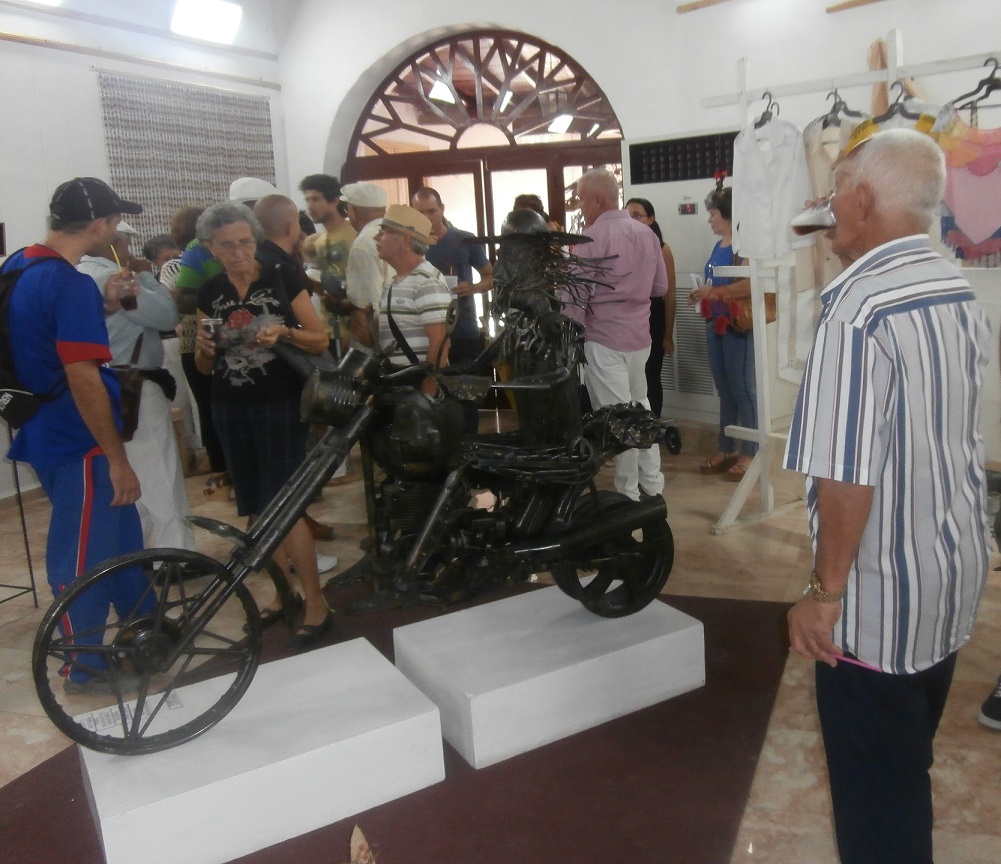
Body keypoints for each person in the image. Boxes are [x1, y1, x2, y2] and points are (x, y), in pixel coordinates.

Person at [783, 128, 990, 864]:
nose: (827, 203)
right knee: (906, 761)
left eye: (835, 187)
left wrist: (822, 590)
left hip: (880, 595)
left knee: (876, 801)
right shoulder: (952, 286)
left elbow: (845, 471)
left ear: (862, 196)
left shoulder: (857, 308)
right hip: (949, 568)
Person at [3, 177, 154, 693]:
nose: (115, 230)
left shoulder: (20, 263)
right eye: (113, 222)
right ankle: (83, 660)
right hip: (77, 438)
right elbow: (83, 376)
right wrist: (116, 457)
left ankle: (150, 622)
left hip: (40, 423)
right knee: (84, 554)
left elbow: (36, 337)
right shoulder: (67, 283)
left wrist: (105, 307)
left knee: (122, 538)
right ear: (99, 226)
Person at [193, 201, 333, 650]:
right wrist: (203, 347)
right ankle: (281, 593)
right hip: (229, 405)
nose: (237, 252)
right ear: (211, 248)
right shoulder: (210, 291)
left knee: (285, 505)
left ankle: (316, 602)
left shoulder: (281, 277)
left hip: (279, 403)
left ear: (255, 240)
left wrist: (285, 333)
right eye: (226, 245)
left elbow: (320, 338)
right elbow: (203, 364)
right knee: (255, 503)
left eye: (245, 242)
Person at [78, 220, 194, 552]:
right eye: (126, 244)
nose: (130, 251)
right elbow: (165, 315)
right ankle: (178, 555)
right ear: (111, 243)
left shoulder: (79, 274)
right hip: (134, 386)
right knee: (160, 474)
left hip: (108, 384)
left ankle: (137, 553)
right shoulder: (113, 278)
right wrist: (144, 275)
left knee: (136, 477)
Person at [570, 168, 667, 502]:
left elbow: (573, 303)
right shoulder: (646, 234)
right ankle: (653, 485)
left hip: (603, 340)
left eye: (581, 198)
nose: (580, 205)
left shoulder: (589, 240)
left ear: (597, 199)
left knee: (617, 420)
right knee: (641, 408)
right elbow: (661, 287)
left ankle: (627, 496)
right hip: (640, 338)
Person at [254, 193, 340, 548]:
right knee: (289, 469)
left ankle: (285, 536)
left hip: (253, 382)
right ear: (293, 226)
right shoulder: (281, 269)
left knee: (266, 476)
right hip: (286, 380)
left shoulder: (255, 264)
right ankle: (294, 535)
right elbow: (317, 339)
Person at [687, 180, 757, 480]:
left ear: (727, 214)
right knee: (725, 392)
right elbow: (715, 286)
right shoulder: (719, 246)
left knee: (742, 390)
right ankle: (726, 447)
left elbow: (752, 283)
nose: (710, 219)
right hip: (714, 325)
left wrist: (714, 294)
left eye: (713, 213)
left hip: (735, 326)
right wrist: (702, 294)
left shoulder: (744, 246)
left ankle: (751, 452)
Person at [412, 186, 493, 431]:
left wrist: (474, 288)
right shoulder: (411, 244)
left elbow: (491, 277)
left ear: (442, 209)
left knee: (466, 393)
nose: (427, 218)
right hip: (424, 331)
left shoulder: (464, 239)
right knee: (430, 391)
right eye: (420, 213)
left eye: (432, 211)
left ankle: (469, 445)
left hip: (464, 327)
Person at [374, 204, 451, 394]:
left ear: (405, 239)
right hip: (401, 387)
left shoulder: (426, 282)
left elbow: (441, 341)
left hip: (418, 391)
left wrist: (427, 394)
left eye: (383, 232)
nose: (376, 238)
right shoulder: (393, 282)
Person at [625, 197, 678, 418]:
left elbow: (670, 295)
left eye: (638, 215)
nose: (632, 221)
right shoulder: (624, 246)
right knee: (631, 377)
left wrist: (668, 333)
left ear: (651, 219)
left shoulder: (662, 249)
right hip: (629, 318)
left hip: (653, 317)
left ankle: (653, 427)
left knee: (650, 375)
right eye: (628, 216)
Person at [299, 173, 356, 354]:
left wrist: (355, 328)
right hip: (328, 327)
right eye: (307, 200)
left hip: (353, 328)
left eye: (316, 199)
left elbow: (365, 286)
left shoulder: (353, 235)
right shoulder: (319, 241)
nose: (310, 206)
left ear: (334, 200)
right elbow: (326, 289)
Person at [340, 182, 392, 346]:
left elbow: (366, 305)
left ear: (353, 211)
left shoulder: (363, 244)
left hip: (380, 336)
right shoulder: (399, 234)